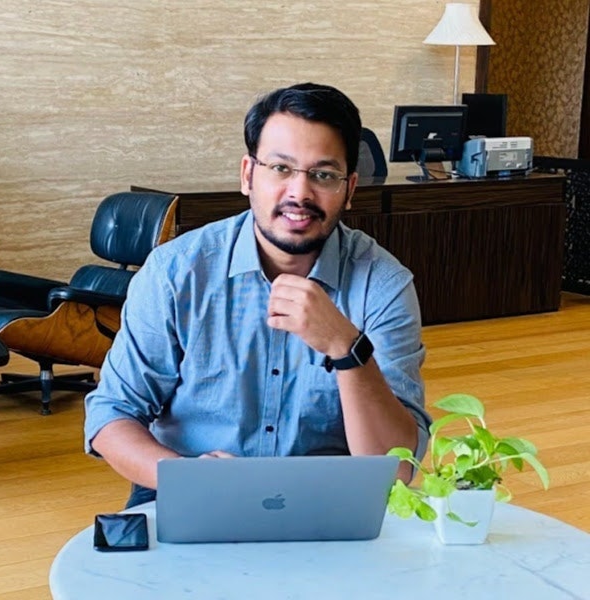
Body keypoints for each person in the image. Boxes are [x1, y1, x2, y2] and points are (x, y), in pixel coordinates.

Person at [84, 82, 431, 508]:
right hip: (188, 492)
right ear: (248, 175)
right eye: (281, 168)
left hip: (322, 504)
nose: (299, 193)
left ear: (350, 188)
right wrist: (187, 479)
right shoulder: (176, 272)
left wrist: (348, 349)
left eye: (323, 175)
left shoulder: (383, 284)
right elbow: (112, 414)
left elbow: (395, 470)